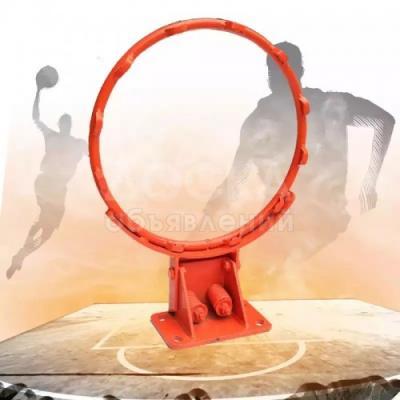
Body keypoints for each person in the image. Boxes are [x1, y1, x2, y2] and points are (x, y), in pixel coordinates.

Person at [204, 42, 395, 292]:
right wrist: (207, 219)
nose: (276, 77)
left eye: (279, 70)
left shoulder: (330, 104)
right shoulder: (262, 118)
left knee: (279, 274)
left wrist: (370, 181)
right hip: (284, 227)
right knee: (266, 274)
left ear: (299, 72)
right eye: (273, 71)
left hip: (318, 226)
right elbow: (235, 179)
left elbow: (384, 121)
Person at [6, 67, 87, 279]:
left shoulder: (78, 144)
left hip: (57, 188)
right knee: (45, 220)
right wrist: (37, 92)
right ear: (60, 125)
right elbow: (36, 117)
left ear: (70, 125)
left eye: (68, 122)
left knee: (47, 230)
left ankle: (21, 255)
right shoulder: (53, 137)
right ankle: (21, 253)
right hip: (47, 183)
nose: (66, 125)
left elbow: (95, 150)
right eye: (64, 122)